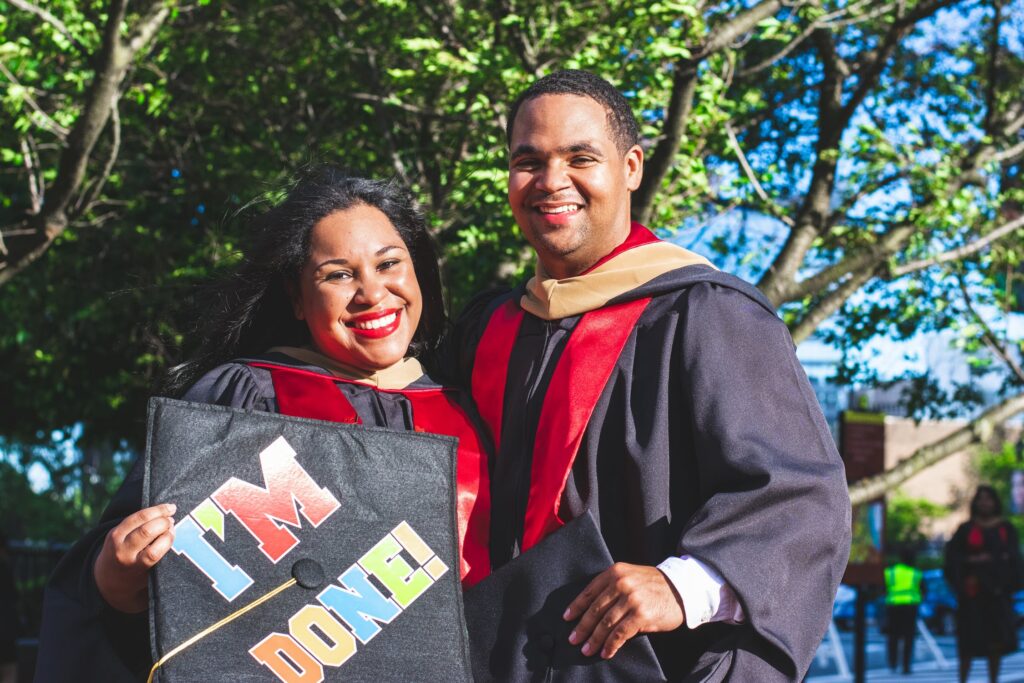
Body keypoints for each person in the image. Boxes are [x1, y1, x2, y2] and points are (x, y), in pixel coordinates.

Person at [444, 69, 851, 680]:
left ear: (631, 167)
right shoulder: (486, 329)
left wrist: (683, 585)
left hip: (646, 665)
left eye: (580, 157)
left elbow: (800, 498)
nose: (552, 181)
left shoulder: (707, 315)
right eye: (528, 161)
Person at [34, 169, 492, 682]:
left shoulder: (470, 405)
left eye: (389, 263)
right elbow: (161, 577)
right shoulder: (248, 397)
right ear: (297, 298)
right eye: (338, 274)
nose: (371, 292)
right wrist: (115, 577)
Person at [945, 485, 1021, 683]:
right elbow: (952, 558)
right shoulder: (966, 529)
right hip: (971, 595)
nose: (984, 503)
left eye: (989, 498)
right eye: (981, 498)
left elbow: (1014, 560)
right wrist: (971, 563)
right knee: (967, 644)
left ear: (995, 502)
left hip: (996, 595)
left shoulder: (1006, 529)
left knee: (995, 642)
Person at [884, 547, 923, 674]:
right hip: (910, 607)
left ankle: (893, 664)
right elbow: (923, 590)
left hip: (893, 606)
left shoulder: (890, 572)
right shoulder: (916, 573)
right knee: (908, 637)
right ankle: (906, 666)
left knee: (893, 636)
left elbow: (882, 588)